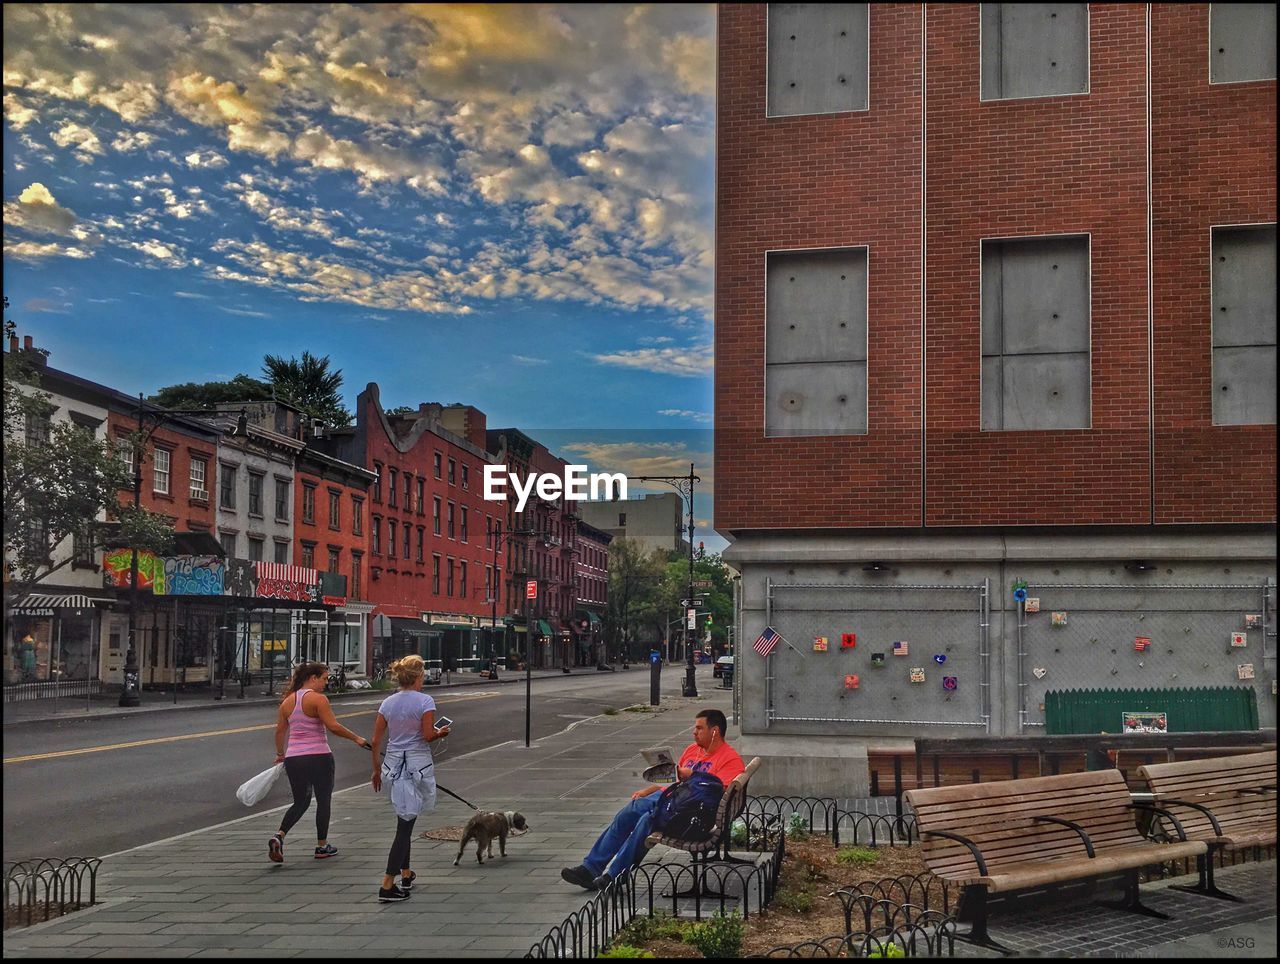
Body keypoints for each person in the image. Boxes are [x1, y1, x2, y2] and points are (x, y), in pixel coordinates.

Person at [560, 708, 744, 891]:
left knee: (646, 820)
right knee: (632, 810)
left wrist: (693, 776)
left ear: (715, 731)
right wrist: (647, 790)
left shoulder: (730, 759)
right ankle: (591, 869)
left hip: (691, 815)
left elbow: (719, 793)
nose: (694, 732)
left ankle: (614, 875)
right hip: (672, 801)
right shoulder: (692, 750)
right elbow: (674, 779)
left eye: (699, 728)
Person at [267, 661, 370, 864]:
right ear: (312, 678)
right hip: (319, 756)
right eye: (324, 678)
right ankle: (322, 846)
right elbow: (333, 726)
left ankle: (279, 836)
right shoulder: (318, 699)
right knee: (323, 800)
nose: (326, 683)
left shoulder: (287, 702)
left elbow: (280, 730)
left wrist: (281, 753)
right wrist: (357, 738)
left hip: (294, 758)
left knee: (301, 801)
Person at [370, 654, 451, 903]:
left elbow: (375, 741)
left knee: (405, 817)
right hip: (416, 765)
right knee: (404, 827)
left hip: (393, 764)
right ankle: (387, 884)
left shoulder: (388, 702)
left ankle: (405, 873)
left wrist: (376, 770)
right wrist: (441, 732)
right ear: (418, 676)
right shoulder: (425, 701)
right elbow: (427, 735)